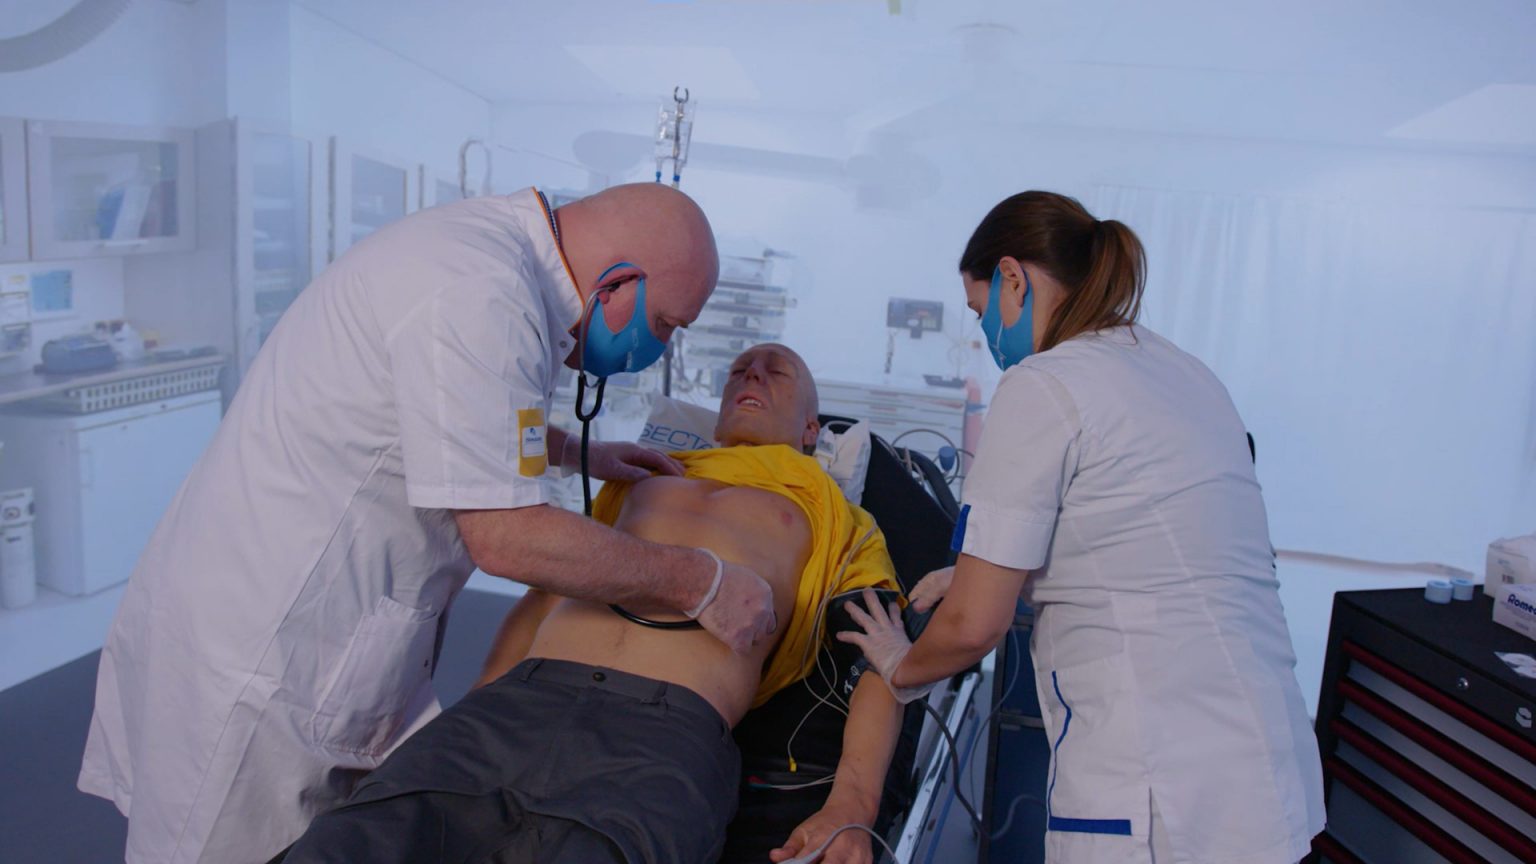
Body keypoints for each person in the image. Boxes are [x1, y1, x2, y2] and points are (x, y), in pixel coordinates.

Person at [78, 184, 779, 864]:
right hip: (269, 647)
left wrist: (574, 450)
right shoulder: (482, 290)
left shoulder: (484, 257)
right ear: (617, 284)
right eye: (666, 326)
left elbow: (454, 409)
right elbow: (509, 538)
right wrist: (700, 582)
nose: (661, 347)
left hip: (304, 612)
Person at [839, 192, 1326, 864]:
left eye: (981, 312)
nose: (986, 334)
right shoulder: (1182, 371)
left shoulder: (1044, 385)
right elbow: (1152, 547)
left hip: (1157, 792)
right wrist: (989, 572)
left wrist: (901, 667)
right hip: (1266, 772)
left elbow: (973, 627)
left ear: (1013, 279)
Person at [280, 343, 904, 864]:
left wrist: (852, 805)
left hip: (658, 742)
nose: (752, 374)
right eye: (739, 369)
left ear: (811, 430)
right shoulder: (645, 476)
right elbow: (546, 594)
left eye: (777, 370)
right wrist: (475, 707)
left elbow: (879, 654)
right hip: (513, 706)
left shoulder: (836, 512)